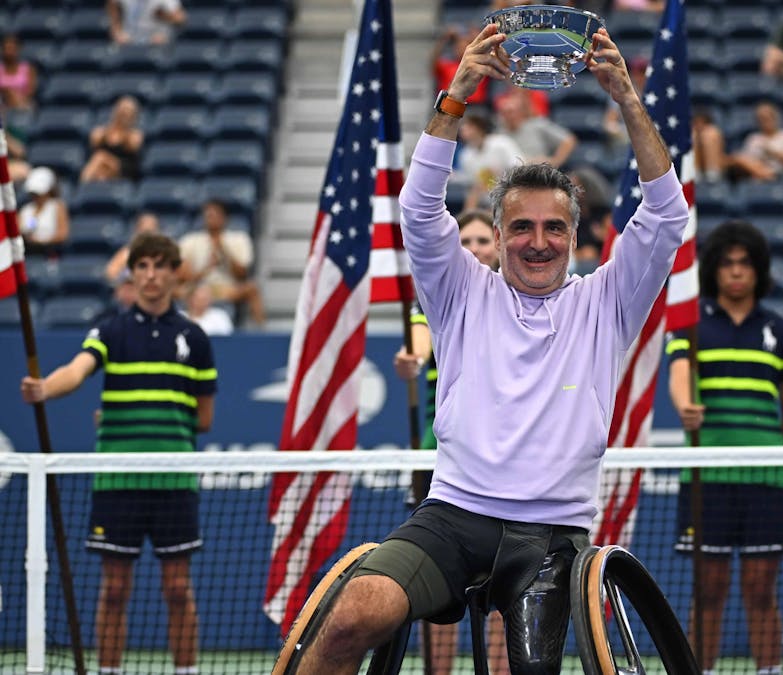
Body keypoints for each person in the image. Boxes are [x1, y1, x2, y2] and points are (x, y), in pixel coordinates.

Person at [281, 23, 688, 675]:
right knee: (351, 614)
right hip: (451, 515)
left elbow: (667, 216)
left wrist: (628, 101)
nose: (538, 242)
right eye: (521, 226)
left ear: (575, 237)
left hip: (553, 536)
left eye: (554, 227)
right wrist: (457, 95)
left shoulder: (607, 300)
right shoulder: (460, 290)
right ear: (496, 235)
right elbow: (419, 211)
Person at [19, 232, 217, 675]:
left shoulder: (195, 338)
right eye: (141, 266)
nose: (150, 275)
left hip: (174, 481)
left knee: (178, 588)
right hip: (117, 482)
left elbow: (204, 419)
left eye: (159, 266)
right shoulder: (110, 330)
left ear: (174, 273)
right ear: (132, 274)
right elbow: (78, 370)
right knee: (113, 589)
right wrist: (45, 388)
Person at [667, 220, 783, 675]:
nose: (735, 271)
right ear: (713, 270)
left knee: (761, 588)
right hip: (706, 477)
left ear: (758, 270)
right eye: (726, 263)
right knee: (707, 590)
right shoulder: (690, 326)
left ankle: (769, 671)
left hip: (765, 478)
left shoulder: (781, 331)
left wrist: (763, 451)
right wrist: (685, 406)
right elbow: (679, 375)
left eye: (745, 263)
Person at [393, 209, 509, 675]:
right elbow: (419, 341)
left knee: (507, 580)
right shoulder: (436, 295)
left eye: (483, 240)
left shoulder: (518, 298)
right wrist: (412, 358)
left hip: (503, 454)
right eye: (467, 241)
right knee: (439, 581)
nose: (475, 248)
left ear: (498, 245)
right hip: (439, 457)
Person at [178, 200, 265, 326]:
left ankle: (260, 329)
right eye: (208, 215)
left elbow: (242, 274)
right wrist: (207, 269)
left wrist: (223, 251)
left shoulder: (239, 239)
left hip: (226, 288)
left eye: (215, 215)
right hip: (195, 289)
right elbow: (183, 276)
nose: (211, 219)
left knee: (252, 289)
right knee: (169, 290)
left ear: (225, 218)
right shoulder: (190, 240)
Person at [455, 113, 523, 211]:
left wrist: (500, 175)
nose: (463, 129)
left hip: (512, 194)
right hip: (486, 203)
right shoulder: (465, 155)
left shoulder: (502, 143)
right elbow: (472, 184)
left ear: (479, 127)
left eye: (469, 126)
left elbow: (519, 166)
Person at [495, 88, 576, 168]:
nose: (508, 116)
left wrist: (555, 161)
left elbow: (568, 140)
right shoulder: (499, 133)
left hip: (536, 171)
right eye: (504, 112)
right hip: (510, 172)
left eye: (511, 112)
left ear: (520, 111)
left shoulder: (537, 124)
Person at [727, 101, 783, 183]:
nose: (764, 122)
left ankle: (769, 175)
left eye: (767, 118)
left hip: (780, 174)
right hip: (755, 175)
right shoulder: (753, 138)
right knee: (736, 159)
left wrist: (771, 152)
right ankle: (765, 175)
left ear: (775, 118)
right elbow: (747, 160)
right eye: (760, 119)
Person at [80, 95, 144, 184]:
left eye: (129, 111)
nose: (125, 113)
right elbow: (93, 143)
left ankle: (83, 184)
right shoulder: (101, 133)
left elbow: (133, 147)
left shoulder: (135, 135)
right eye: (123, 109)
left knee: (100, 157)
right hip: (102, 169)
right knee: (101, 171)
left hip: (123, 169)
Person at [17, 166, 70, 254]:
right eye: (33, 193)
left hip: (50, 253)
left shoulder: (57, 206)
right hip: (27, 253)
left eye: (38, 193)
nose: (36, 196)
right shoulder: (25, 210)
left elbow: (63, 234)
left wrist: (41, 241)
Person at [106, 212, 162, 286]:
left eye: (151, 231)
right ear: (137, 231)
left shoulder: (167, 253)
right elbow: (110, 274)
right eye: (144, 231)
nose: (148, 236)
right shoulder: (126, 254)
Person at [107, 0, 187, 46]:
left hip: (157, 38)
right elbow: (112, 5)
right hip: (129, 38)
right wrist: (117, 32)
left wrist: (163, 15)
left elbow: (180, 18)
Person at [0, 34, 37, 111]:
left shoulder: (29, 69)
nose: (9, 52)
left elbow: (31, 92)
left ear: (18, 49)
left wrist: (12, 95)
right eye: (6, 48)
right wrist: (7, 92)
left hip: (23, 104)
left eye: (12, 48)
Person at [693, 107, 728, 184]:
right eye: (696, 123)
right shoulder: (693, 134)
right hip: (696, 173)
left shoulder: (713, 132)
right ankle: (695, 171)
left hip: (717, 169)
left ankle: (712, 171)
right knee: (693, 136)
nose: (699, 126)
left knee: (709, 135)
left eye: (702, 123)